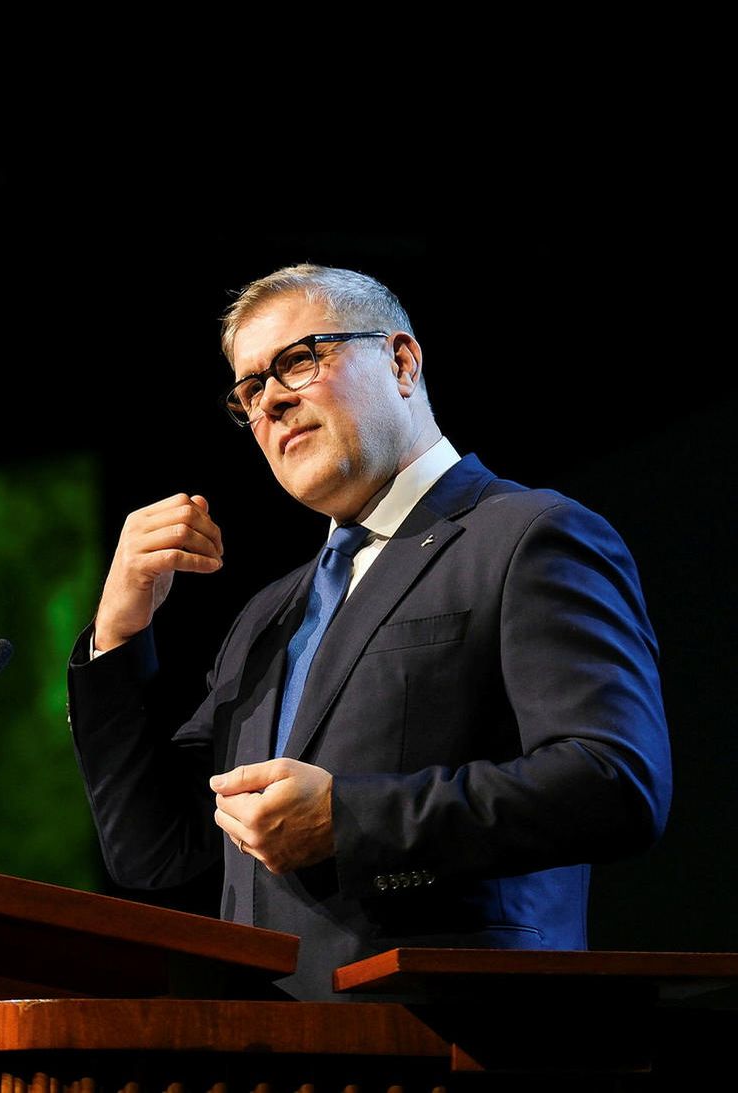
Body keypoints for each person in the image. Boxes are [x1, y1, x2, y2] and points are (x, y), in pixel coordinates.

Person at [68, 265, 671, 1001]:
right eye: (251, 389)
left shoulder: (527, 536)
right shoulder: (270, 615)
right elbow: (157, 850)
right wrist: (118, 630)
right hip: (270, 1055)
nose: (274, 402)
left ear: (402, 362)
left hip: (455, 1041)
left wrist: (350, 821)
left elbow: (615, 781)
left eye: (299, 359)